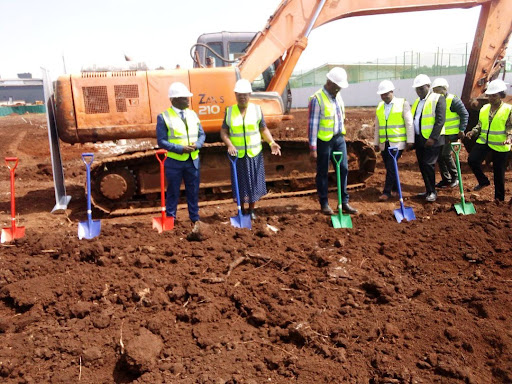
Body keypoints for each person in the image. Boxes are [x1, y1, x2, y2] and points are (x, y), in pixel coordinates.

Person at [220, 79, 281, 220]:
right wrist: (229, 144)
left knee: (254, 183)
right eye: (240, 94)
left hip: (254, 154)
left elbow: (263, 128)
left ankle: (252, 210)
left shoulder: (256, 110)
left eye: (245, 94)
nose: (242, 97)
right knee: (239, 183)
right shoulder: (230, 111)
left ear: (249, 95)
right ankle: (241, 210)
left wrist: (271, 142)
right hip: (237, 155)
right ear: (235, 95)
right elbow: (224, 132)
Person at [308, 67, 358, 215]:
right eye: (337, 87)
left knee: (343, 169)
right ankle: (324, 203)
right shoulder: (317, 99)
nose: (338, 90)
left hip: (338, 138)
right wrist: (313, 148)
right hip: (324, 141)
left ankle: (344, 202)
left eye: (340, 87)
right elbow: (312, 125)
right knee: (322, 172)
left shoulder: (338, 96)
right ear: (329, 82)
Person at [156, 82, 206, 223]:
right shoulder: (164, 117)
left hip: (192, 160)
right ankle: (171, 218)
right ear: (174, 100)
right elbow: (162, 141)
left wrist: (198, 144)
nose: (188, 100)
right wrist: (180, 149)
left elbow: (202, 134)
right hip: (174, 162)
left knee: (193, 191)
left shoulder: (192, 115)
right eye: (184, 98)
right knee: (173, 192)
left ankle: (195, 218)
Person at [466, 79, 512, 202]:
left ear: (502, 95)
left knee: (499, 173)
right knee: (472, 160)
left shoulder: (508, 109)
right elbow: (480, 124)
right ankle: (483, 181)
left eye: (494, 96)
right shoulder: (485, 108)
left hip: (500, 144)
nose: (491, 98)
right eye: (489, 95)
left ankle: (499, 199)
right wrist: (473, 131)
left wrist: (509, 138)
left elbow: (510, 126)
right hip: (484, 141)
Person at [374, 80, 414, 201]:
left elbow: (409, 123)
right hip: (384, 142)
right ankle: (396, 189)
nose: (384, 96)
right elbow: (377, 126)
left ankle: (387, 192)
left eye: (386, 93)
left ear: (392, 91)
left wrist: (410, 140)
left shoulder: (403, 103)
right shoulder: (380, 106)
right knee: (390, 166)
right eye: (382, 94)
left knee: (391, 165)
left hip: (397, 142)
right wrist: (376, 143)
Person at [411, 74, 446, 202]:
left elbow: (440, 120)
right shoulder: (416, 102)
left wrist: (433, 138)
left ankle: (432, 192)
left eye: (421, 88)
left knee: (428, 164)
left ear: (428, 87)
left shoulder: (438, 98)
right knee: (422, 165)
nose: (419, 91)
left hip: (432, 140)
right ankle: (428, 190)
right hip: (420, 139)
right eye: (417, 89)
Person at [431, 78, 469, 189]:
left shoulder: (453, 100)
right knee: (439, 156)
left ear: (444, 89)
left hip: (452, 134)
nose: (436, 93)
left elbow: (464, 114)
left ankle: (455, 177)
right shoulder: (435, 101)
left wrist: (461, 129)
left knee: (445, 155)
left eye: (438, 90)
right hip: (441, 134)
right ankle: (446, 179)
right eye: (434, 90)